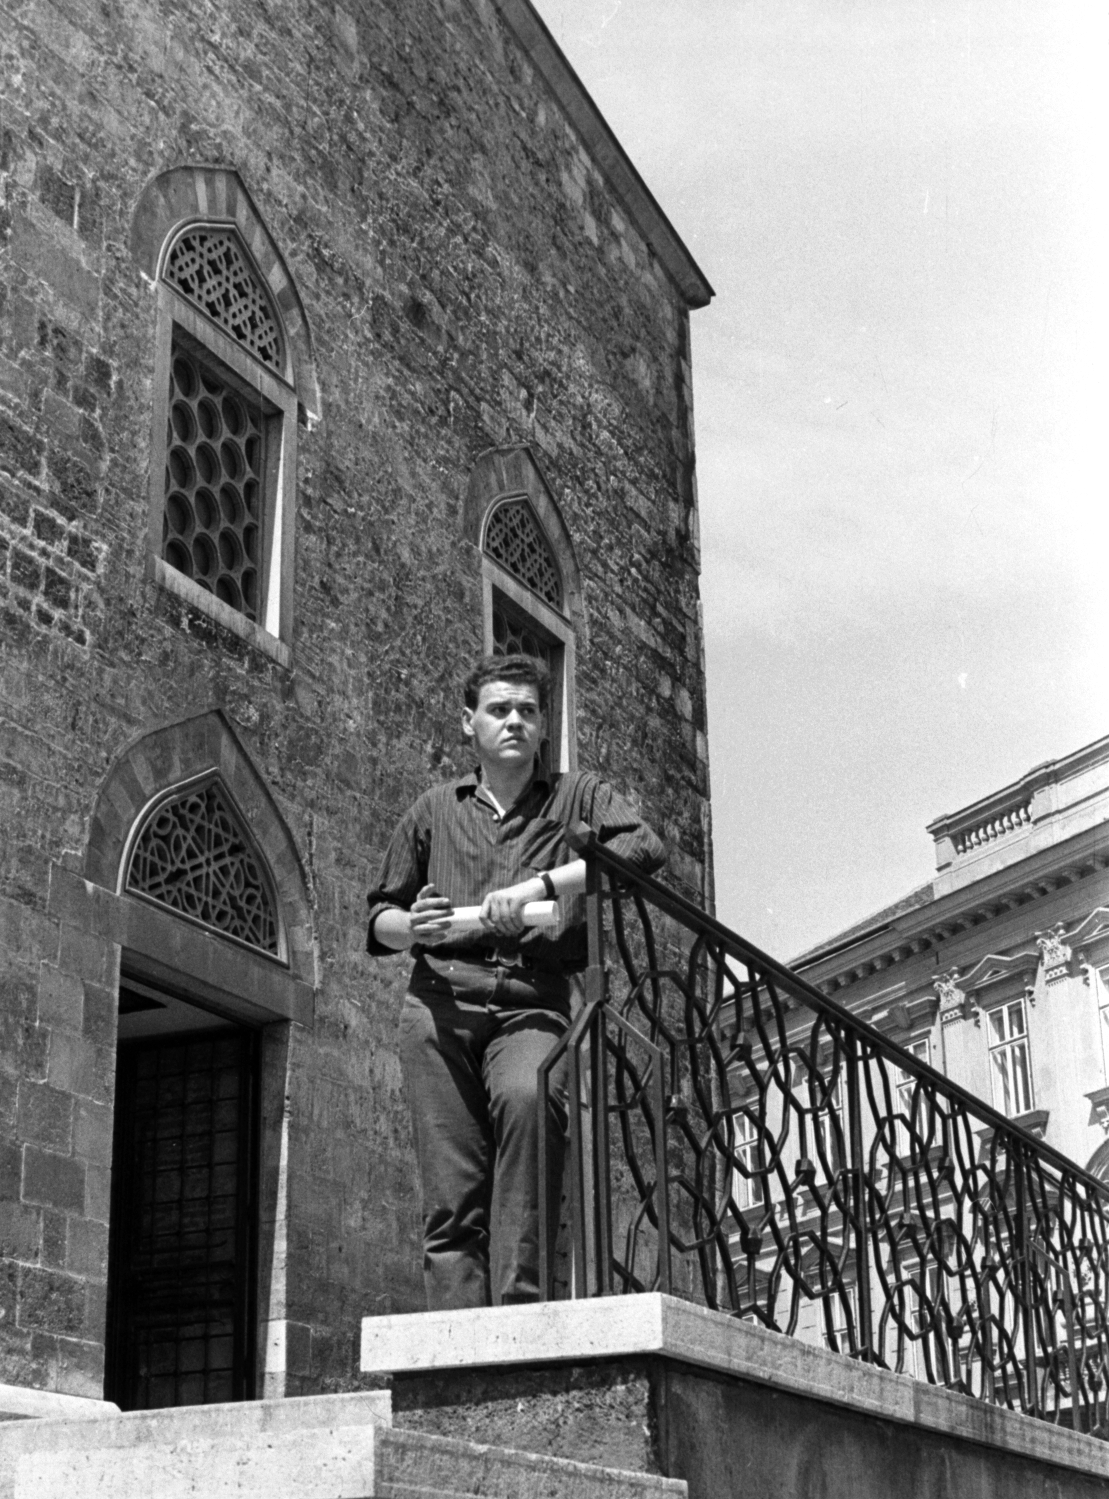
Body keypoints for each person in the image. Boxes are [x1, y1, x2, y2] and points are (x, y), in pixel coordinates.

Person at [365, 653, 664, 1309]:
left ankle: (520, 1321)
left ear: (542, 726)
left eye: (527, 710)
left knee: (529, 1103)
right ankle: (455, 1338)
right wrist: (417, 926)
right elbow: (379, 916)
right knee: (451, 1189)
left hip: (533, 1005)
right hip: (440, 1009)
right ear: (468, 722)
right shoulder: (432, 810)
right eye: (499, 709)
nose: (514, 721)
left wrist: (541, 884)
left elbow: (644, 848)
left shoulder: (576, 797)